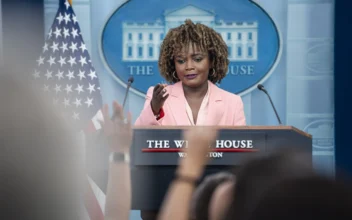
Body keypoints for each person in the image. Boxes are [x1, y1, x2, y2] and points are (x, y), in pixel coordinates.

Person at [135, 19, 246, 126]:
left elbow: (242, 143)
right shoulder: (158, 98)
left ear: (212, 61)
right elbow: (140, 138)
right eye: (181, 61)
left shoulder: (233, 103)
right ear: (173, 64)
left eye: (197, 59)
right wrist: (154, 108)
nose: (189, 67)